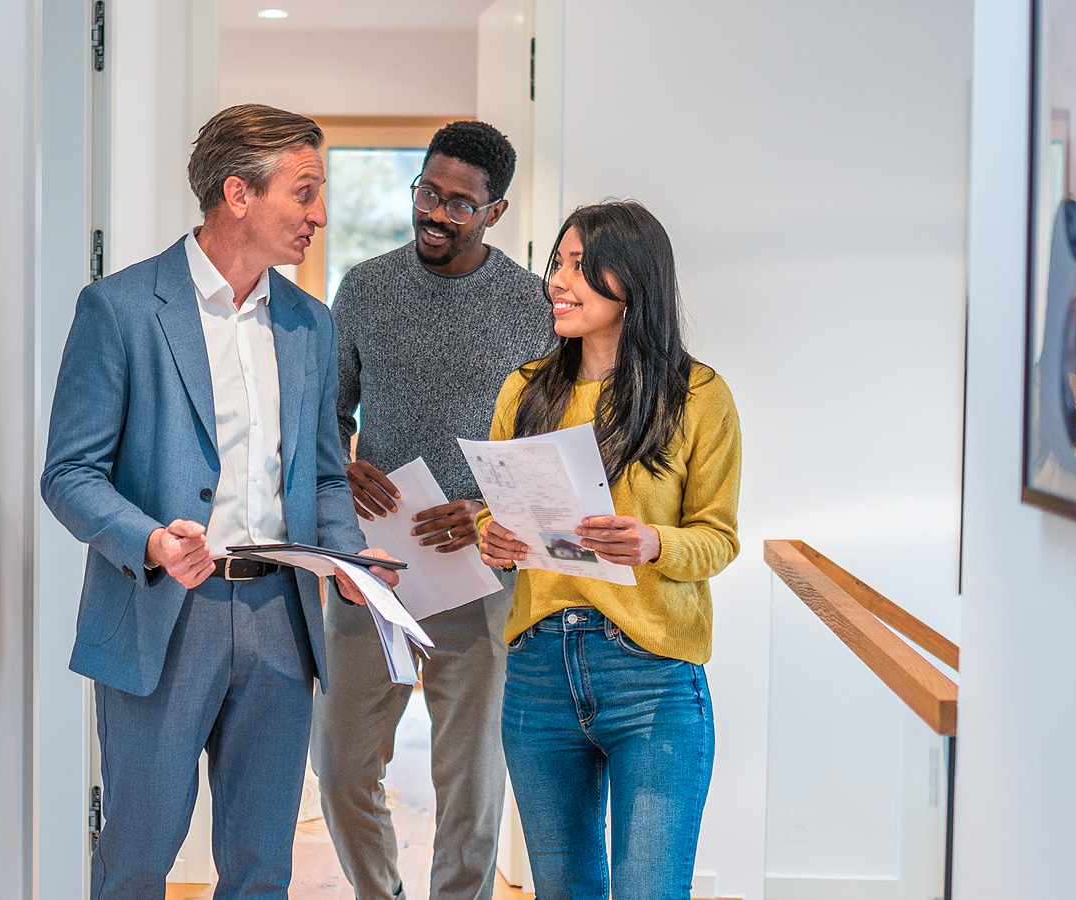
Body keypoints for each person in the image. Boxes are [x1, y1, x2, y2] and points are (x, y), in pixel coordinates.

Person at [41, 103, 399, 900]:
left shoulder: (310, 322)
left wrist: (346, 555)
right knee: (136, 858)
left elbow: (326, 477)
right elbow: (68, 474)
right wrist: (149, 540)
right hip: (163, 613)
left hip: (281, 620)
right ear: (238, 194)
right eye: (304, 191)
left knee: (262, 867)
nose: (319, 213)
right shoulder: (121, 309)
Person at [311, 120, 550, 900]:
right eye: (428, 192)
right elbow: (328, 414)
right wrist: (344, 472)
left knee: (470, 792)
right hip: (374, 567)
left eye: (460, 203)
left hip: (481, 573)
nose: (437, 214)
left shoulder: (531, 307)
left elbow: (550, 450)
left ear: (496, 211)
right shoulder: (366, 287)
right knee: (342, 768)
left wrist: (482, 506)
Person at [477, 201, 742, 900]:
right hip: (538, 670)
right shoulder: (525, 390)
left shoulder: (699, 397)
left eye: (579, 268)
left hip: (651, 675)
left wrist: (654, 541)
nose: (558, 283)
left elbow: (718, 538)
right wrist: (491, 536)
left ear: (632, 281)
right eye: (557, 266)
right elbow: (495, 513)